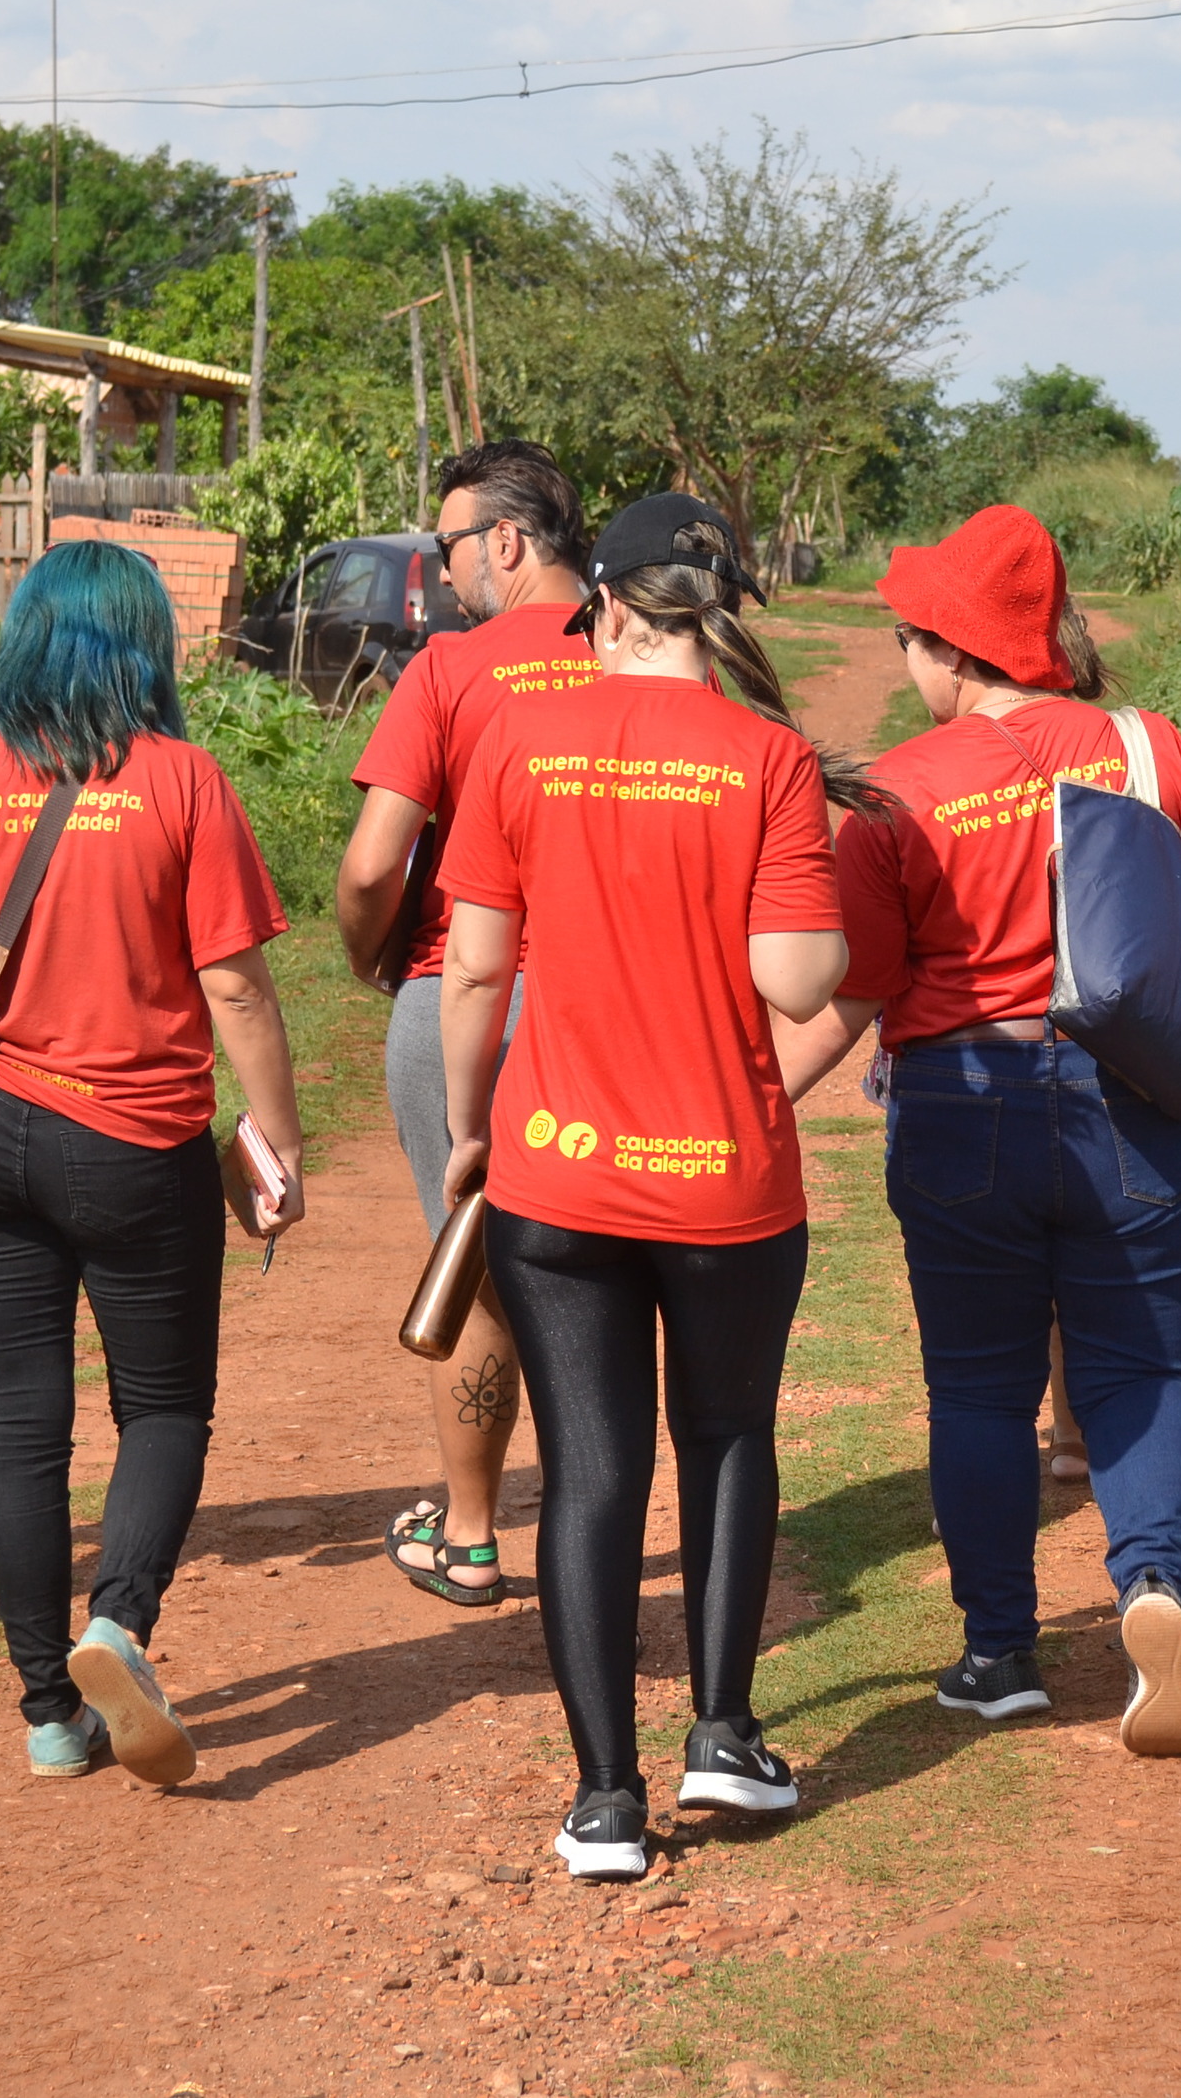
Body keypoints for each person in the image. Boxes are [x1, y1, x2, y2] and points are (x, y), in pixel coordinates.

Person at [782, 504, 1181, 1758]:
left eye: (910, 638)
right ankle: (1155, 1587)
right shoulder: (1148, 747)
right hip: (1135, 1102)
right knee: (1142, 1366)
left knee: (976, 1387)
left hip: (963, 1107)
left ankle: (999, 1653)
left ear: (948, 651)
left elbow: (854, 996)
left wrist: (750, 1093)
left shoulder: (900, 789)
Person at [435, 494, 863, 1879]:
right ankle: (725, 1738)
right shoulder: (767, 759)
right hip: (723, 1174)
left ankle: (605, 1800)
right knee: (728, 1436)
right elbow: (798, 981)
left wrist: (467, 1131)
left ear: (609, 610)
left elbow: (477, 966)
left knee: (589, 1470)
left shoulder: (517, 738)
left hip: (554, 1170)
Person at [0, 541, 307, 1784]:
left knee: (24, 1431)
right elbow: (236, 985)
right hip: (139, 1144)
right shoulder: (179, 780)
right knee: (161, 1405)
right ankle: (123, 1623)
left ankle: (51, 1710)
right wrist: (276, 1136)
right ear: (146, 645)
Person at [333, 440, 595, 1609]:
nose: (442, 576)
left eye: (447, 547)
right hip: (616, 1001)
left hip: (462, 997)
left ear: (508, 540)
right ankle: (597, 1522)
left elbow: (372, 863)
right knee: (604, 1268)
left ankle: (475, 1535)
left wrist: (370, 953)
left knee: (473, 1263)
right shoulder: (648, 652)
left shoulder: (445, 672)